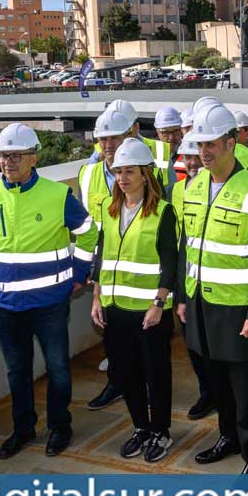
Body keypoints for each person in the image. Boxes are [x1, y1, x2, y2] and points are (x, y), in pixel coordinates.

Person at [0, 123, 92, 459]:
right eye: (3, 156)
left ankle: (59, 428)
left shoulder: (57, 195)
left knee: (58, 369)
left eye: (16, 156)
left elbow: (88, 232)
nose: (8, 162)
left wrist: (79, 272)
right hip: (7, 306)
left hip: (50, 303)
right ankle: (22, 429)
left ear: (34, 158)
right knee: (17, 371)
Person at [178, 105, 248, 474]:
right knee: (216, 382)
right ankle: (228, 436)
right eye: (200, 145)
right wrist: (182, 296)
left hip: (239, 310)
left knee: (247, 389)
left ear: (232, 142)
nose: (204, 152)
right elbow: (186, 245)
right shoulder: (192, 186)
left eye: (212, 144)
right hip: (202, 303)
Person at [88, 138, 179, 462]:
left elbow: (171, 261)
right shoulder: (110, 211)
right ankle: (141, 427)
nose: (122, 178)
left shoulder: (162, 212)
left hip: (149, 312)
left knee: (156, 374)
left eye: (129, 171)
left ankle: (161, 431)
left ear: (145, 174)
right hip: (115, 310)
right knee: (126, 374)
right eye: (118, 172)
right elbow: (102, 257)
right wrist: (97, 298)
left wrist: (158, 303)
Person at [75, 109, 137, 412]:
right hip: (106, 265)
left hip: (139, 265)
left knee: (142, 331)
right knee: (111, 332)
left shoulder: (142, 170)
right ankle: (117, 384)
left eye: (114, 137)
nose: (108, 144)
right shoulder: (87, 174)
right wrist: (89, 265)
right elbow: (88, 224)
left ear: (128, 136)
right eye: (103, 139)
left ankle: (143, 385)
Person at [168, 138, 216, 421]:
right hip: (184, 274)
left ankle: (221, 393)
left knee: (214, 347)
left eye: (196, 156)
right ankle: (207, 393)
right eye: (188, 158)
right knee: (193, 344)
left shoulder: (216, 189)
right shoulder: (175, 190)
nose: (193, 163)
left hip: (212, 277)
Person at [154, 106, 187, 187]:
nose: (171, 137)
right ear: (157, 132)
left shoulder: (190, 156)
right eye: (165, 132)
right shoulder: (150, 157)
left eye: (176, 131)